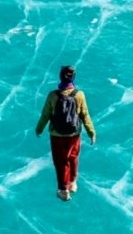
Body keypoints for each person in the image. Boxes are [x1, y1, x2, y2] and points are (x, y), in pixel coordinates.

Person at [35, 64, 96, 201]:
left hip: (57, 135)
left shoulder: (53, 95)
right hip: (74, 134)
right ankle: (73, 183)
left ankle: (63, 190)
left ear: (60, 77)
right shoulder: (79, 95)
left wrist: (39, 129)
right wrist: (91, 133)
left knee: (60, 161)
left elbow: (45, 115)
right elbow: (85, 115)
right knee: (73, 157)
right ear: (73, 78)